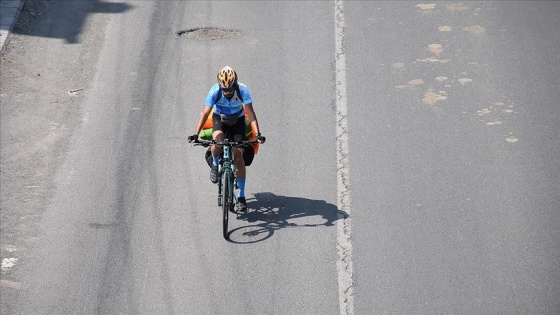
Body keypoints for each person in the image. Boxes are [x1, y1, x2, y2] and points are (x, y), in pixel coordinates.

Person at [188, 66, 265, 211]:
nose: (228, 92)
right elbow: (205, 113)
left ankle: (241, 196)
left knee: (238, 157)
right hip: (220, 119)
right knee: (217, 143)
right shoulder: (214, 91)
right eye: (225, 90)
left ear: (235, 84)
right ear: (220, 86)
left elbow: (251, 113)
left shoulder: (242, 90)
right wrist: (196, 134)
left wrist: (258, 133)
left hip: (238, 120)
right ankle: (215, 165)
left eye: (230, 89)